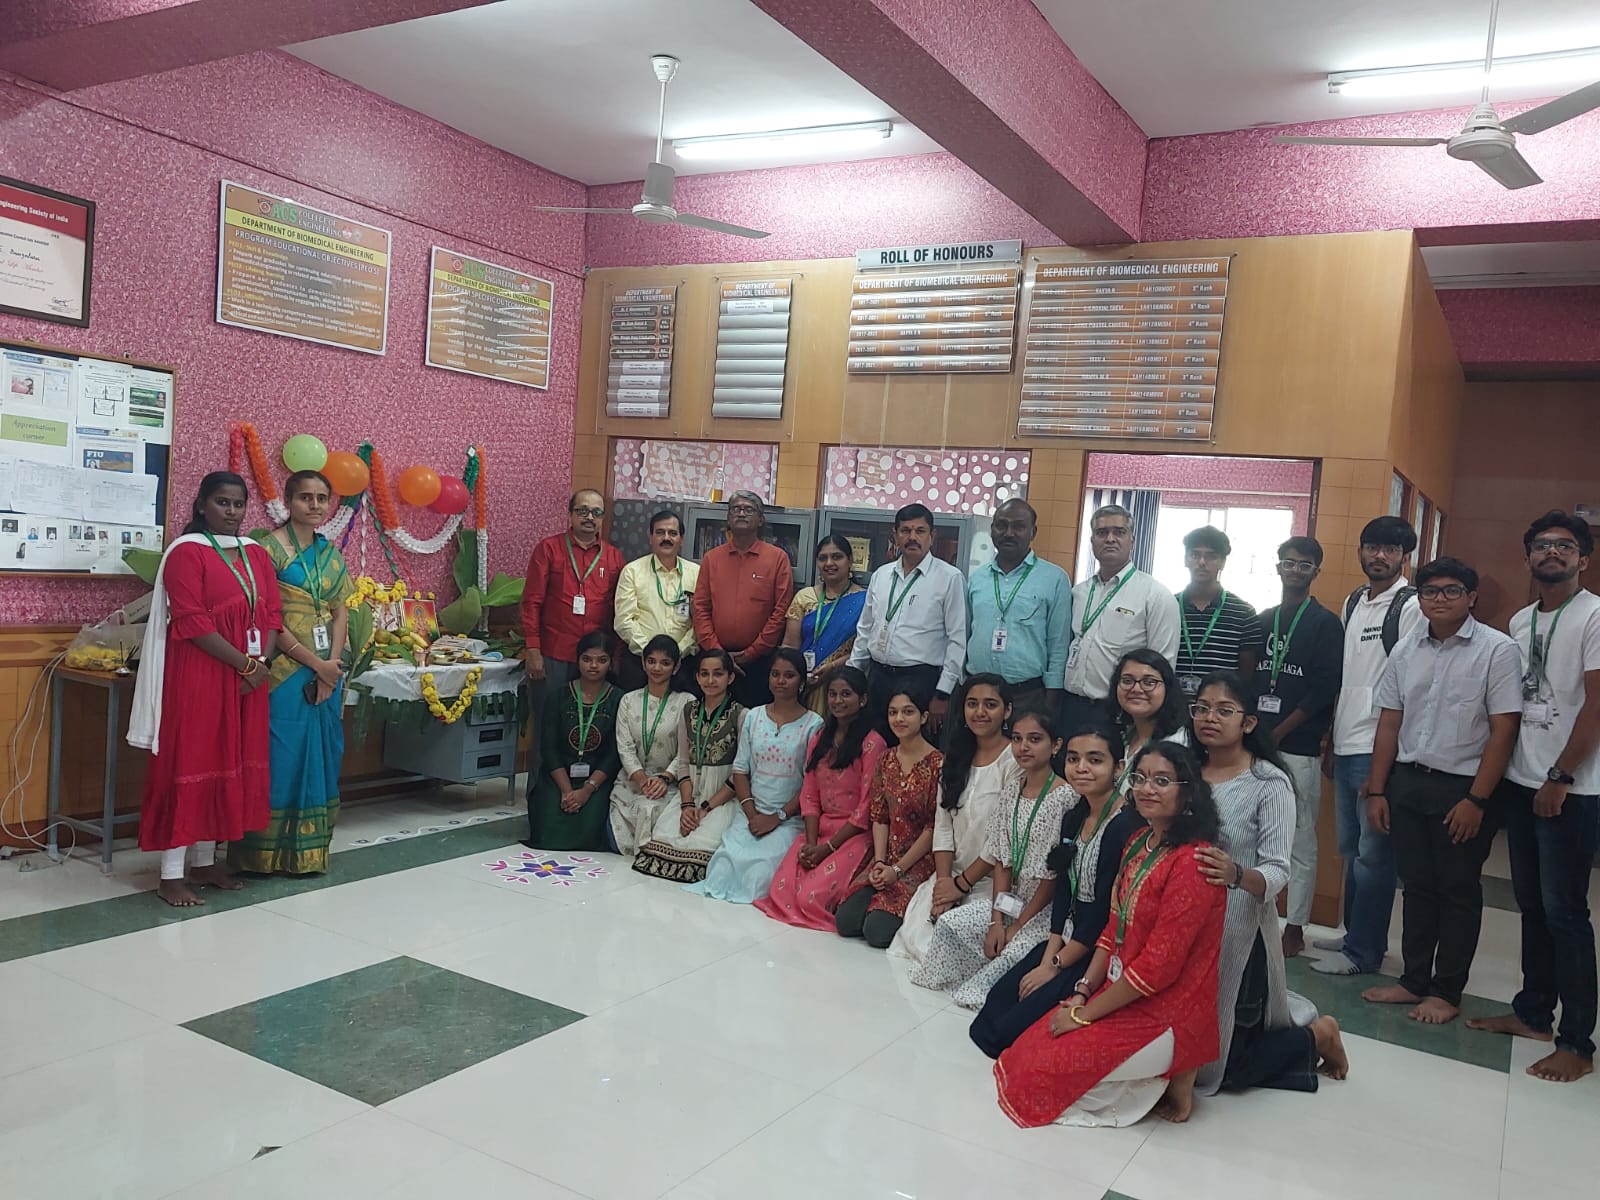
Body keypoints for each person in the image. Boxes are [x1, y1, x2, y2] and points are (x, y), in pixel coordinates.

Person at [993, 742, 1227, 1128]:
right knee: (1025, 1049)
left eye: (1162, 781)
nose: (1147, 788)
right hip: (1120, 990)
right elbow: (1113, 929)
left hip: (1166, 1008)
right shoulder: (1138, 842)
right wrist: (1083, 991)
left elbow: (1158, 968)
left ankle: (1180, 1071)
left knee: (1044, 1072)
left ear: (1188, 793)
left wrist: (1083, 1016)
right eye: (1140, 778)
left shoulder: (1193, 863)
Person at [1468, 512, 1600, 1082]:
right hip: (1522, 781)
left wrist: (1561, 776)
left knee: (1566, 913)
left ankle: (1577, 1042)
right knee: (1533, 907)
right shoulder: (1522, 620)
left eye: (1564, 546)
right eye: (1542, 545)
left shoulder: (1594, 616)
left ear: (1583, 559)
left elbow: (1596, 704)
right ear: (1528, 557)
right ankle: (1533, 1014)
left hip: (1571, 787)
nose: (1552, 552)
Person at [1363, 558, 1522, 1025]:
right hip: (1409, 781)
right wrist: (1377, 790)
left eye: (1452, 591)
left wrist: (1477, 799)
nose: (1439, 599)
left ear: (1471, 597)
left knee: (1457, 890)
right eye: (1429, 591)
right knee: (1416, 885)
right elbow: (1389, 721)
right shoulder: (1406, 648)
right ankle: (1413, 980)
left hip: (1463, 788)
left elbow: (1504, 729)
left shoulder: (1497, 650)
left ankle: (1447, 991)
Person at [129, 472, 282, 907]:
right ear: (201, 505)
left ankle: (204, 862)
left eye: (238, 503)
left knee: (228, 762)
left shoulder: (256, 553)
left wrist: (261, 665)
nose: (231, 511)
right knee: (192, 761)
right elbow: (192, 621)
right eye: (222, 502)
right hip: (200, 673)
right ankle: (170, 875)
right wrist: (246, 664)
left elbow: (272, 614)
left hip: (249, 676)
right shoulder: (186, 552)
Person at [1190, 672, 1345, 1096]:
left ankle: (1318, 1037)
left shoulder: (1268, 783)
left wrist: (1237, 875)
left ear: (1249, 722)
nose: (1209, 718)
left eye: (1224, 710)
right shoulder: (1183, 771)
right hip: (1184, 923)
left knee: (1225, 1070)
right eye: (1202, 708)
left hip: (1238, 929)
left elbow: (1278, 870)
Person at [970, 723, 1147, 1057]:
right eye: (1074, 759)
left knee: (1010, 1029)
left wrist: (1054, 965)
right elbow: (1064, 892)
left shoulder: (1125, 826)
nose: (1081, 768)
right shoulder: (1074, 816)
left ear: (1119, 767)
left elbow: (1103, 914)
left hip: (1098, 948)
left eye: (1095, 760)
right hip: (1068, 936)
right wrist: (1050, 954)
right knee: (995, 1007)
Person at [1312, 515, 1423, 978]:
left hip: (1378, 749)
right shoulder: (1355, 599)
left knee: (1376, 856)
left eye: (1390, 549)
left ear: (1404, 557)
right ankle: (1354, 934)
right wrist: (1331, 741)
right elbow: (1347, 675)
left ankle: (1365, 952)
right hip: (1346, 740)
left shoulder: (1411, 606)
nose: (1379, 556)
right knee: (1354, 851)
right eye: (1372, 546)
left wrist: (1384, 763)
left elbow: (1410, 686)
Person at [230, 469, 352, 876]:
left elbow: (339, 613)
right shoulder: (266, 551)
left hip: (326, 672)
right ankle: (262, 856)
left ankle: (310, 854)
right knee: (280, 756)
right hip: (282, 672)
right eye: (305, 497)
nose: (314, 505)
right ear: (288, 501)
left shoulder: (330, 554)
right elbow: (267, 617)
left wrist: (330, 668)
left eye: (322, 498)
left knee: (325, 755)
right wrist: (316, 665)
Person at [911, 708, 1077, 1005]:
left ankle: (985, 981)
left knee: (1006, 960)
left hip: (1042, 908)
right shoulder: (1012, 789)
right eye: (1017, 739)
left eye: (1035, 739)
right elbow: (1001, 860)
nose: (1024, 747)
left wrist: (1017, 926)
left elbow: (1052, 878)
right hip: (1010, 898)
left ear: (1055, 745)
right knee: (950, 925)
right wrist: (996, 922)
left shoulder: (1065, 797)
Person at [1251, 536, 1344, 960]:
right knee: (1255, 832)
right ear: (1278, 567)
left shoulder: (1325, 624)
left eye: (1304, 565)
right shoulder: (1263, 619)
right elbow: (1251, 679)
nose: (1295, 570)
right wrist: (1257, 733)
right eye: (1289, 563)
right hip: (1257, 745)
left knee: (1300, 838)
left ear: (1315, 572)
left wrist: (1280, 731)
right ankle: (1256, 914)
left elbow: (1324, 690)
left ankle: (1296, 926)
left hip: (1299, 746)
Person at [889, 675, 1020, 964]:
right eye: (972, 704)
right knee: (915, 942)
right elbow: (943, 827)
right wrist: (944, 884)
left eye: (990, 705)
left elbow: (1003, 840)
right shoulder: (954, 759)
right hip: (950, 874)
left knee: (952, 950)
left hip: (992, 881)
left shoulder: (1015, 761)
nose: (980, 712)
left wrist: (960, 886)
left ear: (1007, 711)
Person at [686, 649, 822, 903]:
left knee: (760, 875)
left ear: (802, 681)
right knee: (722, 869)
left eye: (789, 675)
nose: (781, 681)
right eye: (775, 674)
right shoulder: (754, 716)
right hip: (749, 813)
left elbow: (811, 785)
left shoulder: (813, 725)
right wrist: (752, 814)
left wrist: (777, 817)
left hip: (788, 819)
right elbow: (740, 770)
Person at [755, 667, 887, 929]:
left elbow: (866, 807)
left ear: (862, 699)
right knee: (780, 891)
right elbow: (809, 794)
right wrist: (811, 842)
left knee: (810, 899)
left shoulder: (872, 743)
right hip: (820, 829)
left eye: (846, 694)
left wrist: (827, 849)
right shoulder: (820, 738)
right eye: (832, 694)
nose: (837, 701)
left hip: (854, 834)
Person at [521, 490, 625, 779]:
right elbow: (531, 602)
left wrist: (615, 657)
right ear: (570, 514)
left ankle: (583, 794)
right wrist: (533, 650)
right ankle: (541, 796)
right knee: (548, 728)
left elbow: (617, 611)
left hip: (595, 661)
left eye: (596, 512)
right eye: (583, 511)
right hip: (553, 654)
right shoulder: (549, 549)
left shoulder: (614, 557)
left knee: (592, 730)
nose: (590, 517)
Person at [834, 688, 943, 948]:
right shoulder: (886, 760)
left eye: (908, 712)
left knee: (877, 933)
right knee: (846, 922)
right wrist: (881, 862)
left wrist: (898, 869)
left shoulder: (938, 764)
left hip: (920, 861)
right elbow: (879, 816)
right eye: (893, 712)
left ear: (924, 717)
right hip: (886, 855)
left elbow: (934, 827)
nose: (899, 719)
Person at [848, 503, 967, 736]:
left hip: (921, 680)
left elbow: (957, 639)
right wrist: (853, 675)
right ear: (895, 535)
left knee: (917, 749)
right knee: (876, 744)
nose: (912, 537)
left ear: (932, 536)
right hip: (878, 677)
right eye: (905, 530)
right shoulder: (881, 575)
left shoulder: (950, 578)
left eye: (920, 531)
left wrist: (943, 693)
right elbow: (865, 629)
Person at [1064, 504, 1181, 733]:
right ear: (1092, 541)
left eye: (1119, 532)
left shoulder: (1155, 596)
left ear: (1132, 540)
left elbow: (1163, 668)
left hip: (1119, 713)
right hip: (1070, 706)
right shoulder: (1079, 592)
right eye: (1102, 532)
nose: (1110, 539)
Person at [632, 650, 744, 882]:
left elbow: (740, 772)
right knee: (663, 843)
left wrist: (705, 809)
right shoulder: (689, 710)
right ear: (697, 677)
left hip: (722, 798)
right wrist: (687, 806)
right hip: (689, 795)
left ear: (730, 677)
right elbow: (683, 763)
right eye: (704, 674)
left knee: (702, 848)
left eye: (718, 674)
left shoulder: (741, 715)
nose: (710, 680)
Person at [965, 499, 1073, 715]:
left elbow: (1059, 644)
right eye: (1001, 525)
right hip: (976, 692)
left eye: (1018, 526)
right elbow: (966, 633)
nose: (1009, 533)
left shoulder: (1055, 579)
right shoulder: (977, 578)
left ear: (1033, 532)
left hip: (1027, 695)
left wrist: (1051, 701)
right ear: (992, 529)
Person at [690, 492, 793, 708]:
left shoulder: (777, 558)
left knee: (755, 719)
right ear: (728, 518)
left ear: (761, 519)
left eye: (749, 509)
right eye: (736, 509)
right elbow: (700, 608)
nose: (742, 513)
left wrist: (752, 653)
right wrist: (717, 652)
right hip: (715, 661)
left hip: (759, 662)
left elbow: (781, 610)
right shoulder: (711, 558)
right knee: (714, 718)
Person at [525, 631, 622, 851]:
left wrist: (586, 791)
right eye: (587, 659)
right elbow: (549, 748)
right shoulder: (558, 696)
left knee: (592, 818)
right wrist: (567, 791)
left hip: (597, 779)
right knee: (547, 821)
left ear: (611, 663)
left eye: (601, 660)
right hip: (559, 777)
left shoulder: (619, 699)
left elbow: (614, 754)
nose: (593, 666)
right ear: (577, 661)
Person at [608, 634, 693, 855]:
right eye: (651, 661)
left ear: (676, 667)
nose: (657, 668)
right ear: (643, 663)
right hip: (631, 782)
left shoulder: (687, 702)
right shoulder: (628, 700)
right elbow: (625, 748)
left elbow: (687, 750)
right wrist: (643, 781)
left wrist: (665, 778)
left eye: (665, 663)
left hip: (672, 784)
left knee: (653, 810)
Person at [613, 509, 699, 692]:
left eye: (672, 533)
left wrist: (677, 653)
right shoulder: (632, 571)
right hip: (639, 663)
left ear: (681, 539)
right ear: (650, 538)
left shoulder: (697, 574)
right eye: (660, 532)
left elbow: (701, 621)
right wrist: (652, 656)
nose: (666, 538)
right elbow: (624, 621)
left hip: (684, 664)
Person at [783, 535, 867, 716]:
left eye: (837, 557)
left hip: (844, 685)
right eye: (823, 558)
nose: (829, 563)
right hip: (803, 683)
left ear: (850, 560)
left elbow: (866, 649)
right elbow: (789, 646)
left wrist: (833, 666)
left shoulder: (866, 600)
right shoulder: (804, 597)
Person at [1173, 525, 1262, 694]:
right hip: (1173, 703)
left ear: (1222, 562)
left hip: (1221, 704)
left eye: (1211, 556)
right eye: (1195, 555)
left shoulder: (1244, 613)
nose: (1201, 562)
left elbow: (1246, 675)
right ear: (1185, 560)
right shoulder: (1168, 605)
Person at [1106, 649, 1192, 777]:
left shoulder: (1177, 742)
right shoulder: (1125, 733)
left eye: (1149, 682)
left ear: (1168, 688)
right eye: (1127, 681)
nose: (1136, 689)